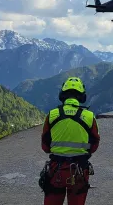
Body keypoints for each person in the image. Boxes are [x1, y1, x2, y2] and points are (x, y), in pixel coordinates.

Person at [39, 77, 100, 205]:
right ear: (82, 96)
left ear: (63, 95)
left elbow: (45, 146)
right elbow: (94, 145)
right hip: (79, 170)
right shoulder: (89, 117)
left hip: (56, 170)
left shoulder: (52, 115)